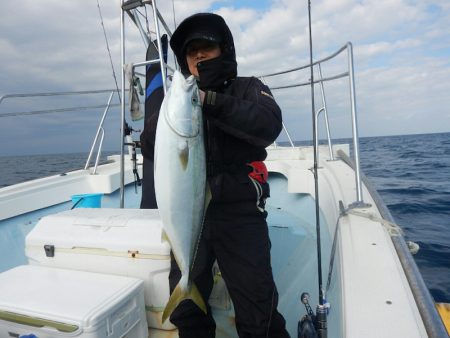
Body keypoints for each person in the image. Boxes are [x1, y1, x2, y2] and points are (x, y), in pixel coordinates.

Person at [143, 12, 290, 338]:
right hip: (190, 214)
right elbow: (150, 147)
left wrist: (209, 101)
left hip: (240, 213)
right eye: (190, 50)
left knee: (258, 309)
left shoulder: (248, 88)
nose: (197, 54)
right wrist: (166, 116)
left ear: (224, 50)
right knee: (187, 313)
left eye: (205, 47)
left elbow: (267, 124)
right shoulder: (176, 100)